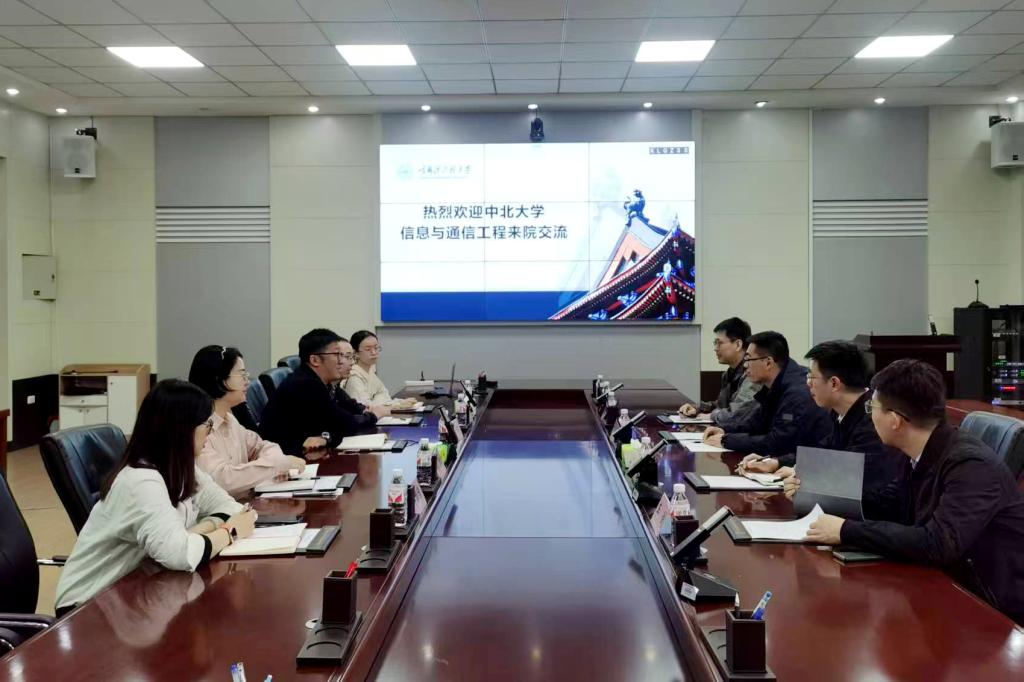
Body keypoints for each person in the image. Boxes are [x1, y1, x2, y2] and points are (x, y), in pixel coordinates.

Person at [805, 359, 1024, 624]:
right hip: (947, 586)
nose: (870, 415)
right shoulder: (919, 450)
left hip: (993, 611)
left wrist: (846, 530)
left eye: (872, 407)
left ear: (895, 420)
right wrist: (817, 493)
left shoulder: (971, 466)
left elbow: (937, 544)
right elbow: (891, 504)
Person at [55, 380, 256, 614]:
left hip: (135, 595)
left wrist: (202, 529)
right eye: (206, 424)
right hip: (88, 608)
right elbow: (180, 555)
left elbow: (231, 508)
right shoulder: (140, 481)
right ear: (181, 429)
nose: (210, 433)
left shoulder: (180, 468)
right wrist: (230, 531)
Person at [776, 341, 910, 518]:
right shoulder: (840, 412)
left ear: (834, 383)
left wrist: (808, 485)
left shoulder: (873, 421)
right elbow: (826, 451)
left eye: (812, 377)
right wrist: (782, 463)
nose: (807, 383)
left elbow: (860, 487)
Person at [189, 345, 306, 498]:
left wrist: (275, 461)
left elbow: (262, 445)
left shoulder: (230, 419)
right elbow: (222, 480)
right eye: (241, 375)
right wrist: (276, 465)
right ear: (219, 380)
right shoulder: (199, 427)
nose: (247, 382)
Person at [259, 328, 388, 456]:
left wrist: (328, 436)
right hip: (286, 456)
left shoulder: (321, 381)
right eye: (337, 355)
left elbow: (344, 412)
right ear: (315, 360)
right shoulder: (306, 384)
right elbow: (345, 424)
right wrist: (373, 415)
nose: (341, 361)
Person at [703, 330, 830, 458]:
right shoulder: (775, 384)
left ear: (768, 362)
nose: (745, 365)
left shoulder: (797, 392)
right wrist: (725, 430)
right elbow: (756, 422)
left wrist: (727, 440)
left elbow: (778, 443)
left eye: (748, 359)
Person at [679, 317, 757, 427]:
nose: (715, 348)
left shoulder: (753, 373)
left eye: (719, 343)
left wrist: (712, 415)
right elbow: (721, 406)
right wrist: (697, 408)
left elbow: (738, 412)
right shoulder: (729, 374)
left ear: (738, 345)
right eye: (715, 343)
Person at [344, 330, 415, 408]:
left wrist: (400, 402)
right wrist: (397, 405)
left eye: (376, 348)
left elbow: (385, 396)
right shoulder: (354, 377)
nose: (374, 352)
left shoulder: (370, 372)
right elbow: (365, 407)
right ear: (356, 353)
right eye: (368, 349)